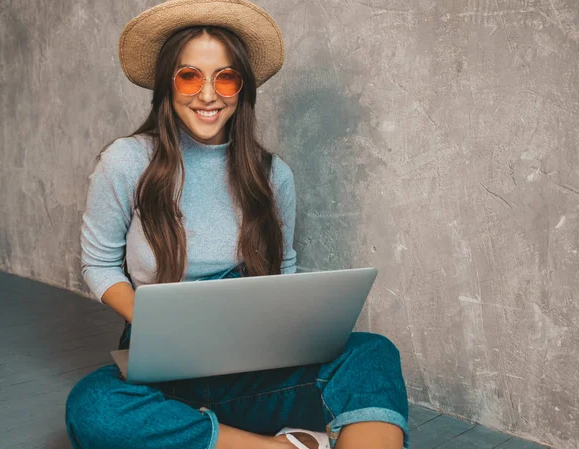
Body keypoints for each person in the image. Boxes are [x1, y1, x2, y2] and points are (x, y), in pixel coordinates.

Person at [65, 1, 409, 448]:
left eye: (224, 77)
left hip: (254, 368)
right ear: (167, 85)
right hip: (169, 371)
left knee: (372, 354)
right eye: (190, 76)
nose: (208, 95)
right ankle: (280, 446)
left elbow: (283, 270)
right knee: (94, 405)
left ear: (241, 88)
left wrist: (288, 332)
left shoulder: (273, 174)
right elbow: (99, 265)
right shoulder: (126, 161)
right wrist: (161, 328)